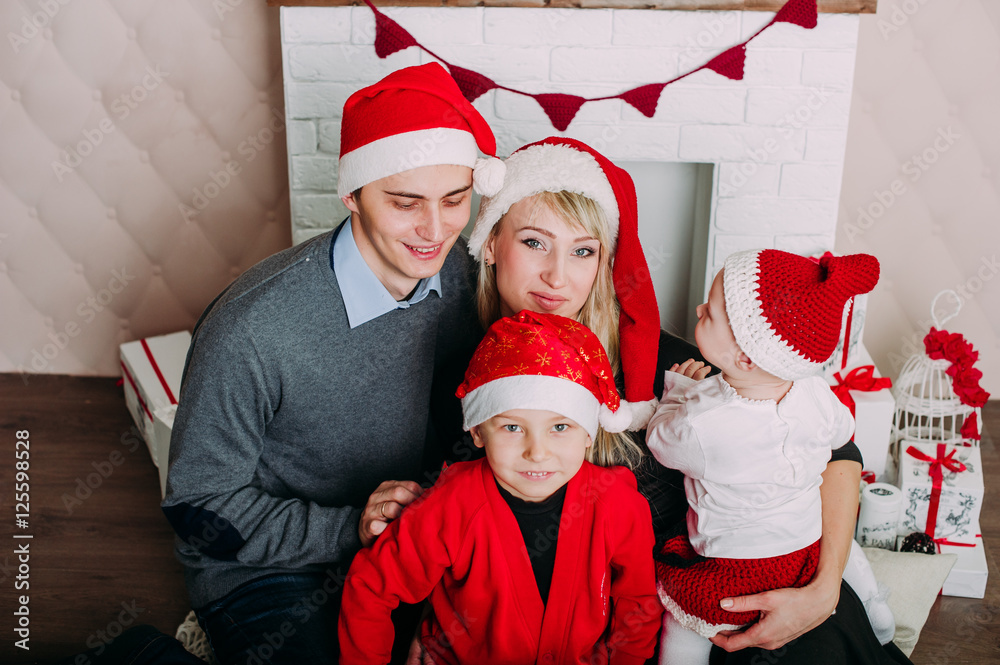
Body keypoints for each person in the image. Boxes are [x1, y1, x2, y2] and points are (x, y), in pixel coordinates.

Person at [461, 136, 911, 665]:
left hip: (782, 588)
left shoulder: (674, 365)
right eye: (535, 242)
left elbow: (839, 454)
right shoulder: (461, 375)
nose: (558, 276)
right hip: (650, 622)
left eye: (583, 250)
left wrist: (824, 587)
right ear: (491, 243)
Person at [160, 62, 504, 665]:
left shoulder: (464, 278)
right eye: (405, 203)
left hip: (413, 542)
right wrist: (350, 529)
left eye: (454, 200)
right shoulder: (252, 329)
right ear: (352, 195)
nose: (434, 229)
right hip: (273, 565)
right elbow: (200, 508)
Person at [341, 309, 662, 664]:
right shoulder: (449, 504)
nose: (537, 453)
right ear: (477, 430)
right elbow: (371, 586)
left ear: (589, 432)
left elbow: (638, 604)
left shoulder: (618, 502)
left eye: (560, 428)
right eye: (512, 428)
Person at [646, 250, 894, 663]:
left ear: (744, 357)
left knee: (683, 621)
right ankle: (876, 609)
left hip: (733, 572)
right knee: (841, 539)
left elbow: (660, 440)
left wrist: (676, 391)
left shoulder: (703, 421)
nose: (698, 308)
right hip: (806, 553)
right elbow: (842, 435)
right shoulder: (815, 392)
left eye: (711, 313)